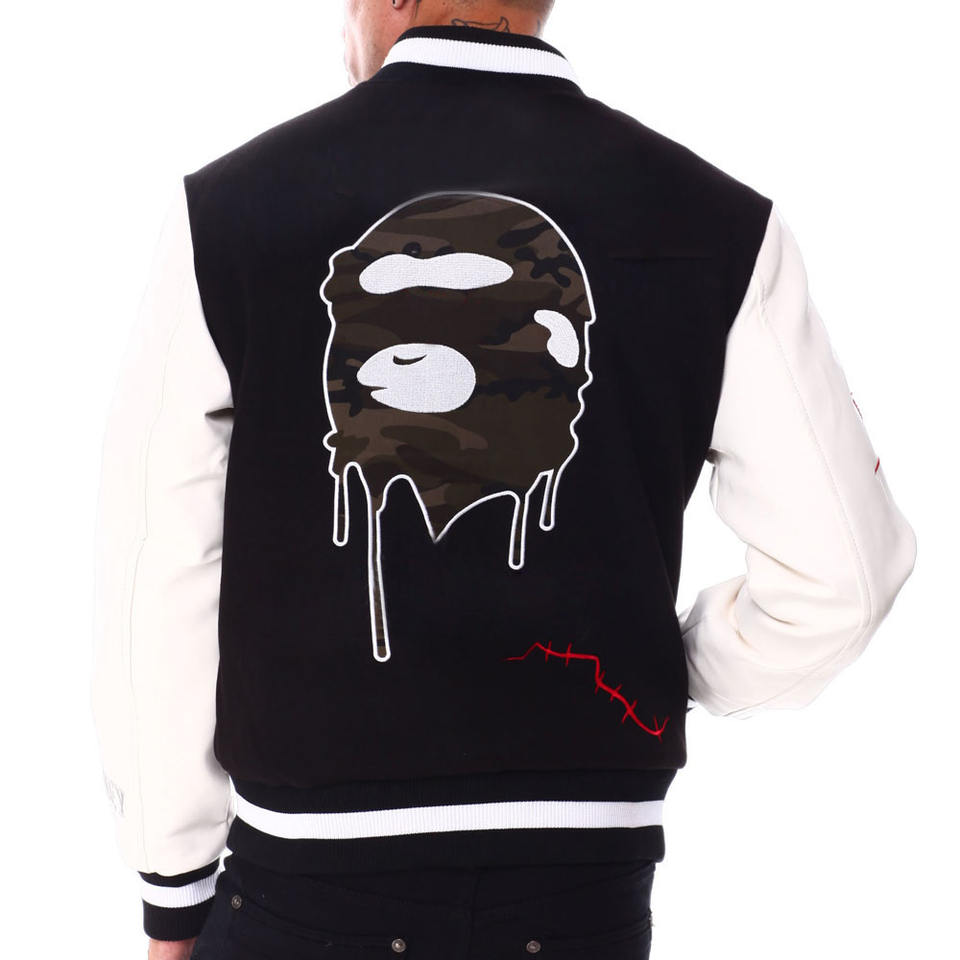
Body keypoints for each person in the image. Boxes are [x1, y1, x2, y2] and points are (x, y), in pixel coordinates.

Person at [89, 2, 918, 958]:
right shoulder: (717, 223)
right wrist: (650, 672)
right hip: (584, 899)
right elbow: (845, 576)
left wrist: (172, 886)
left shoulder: (229, 211)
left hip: (302, 892)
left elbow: (157, 572)